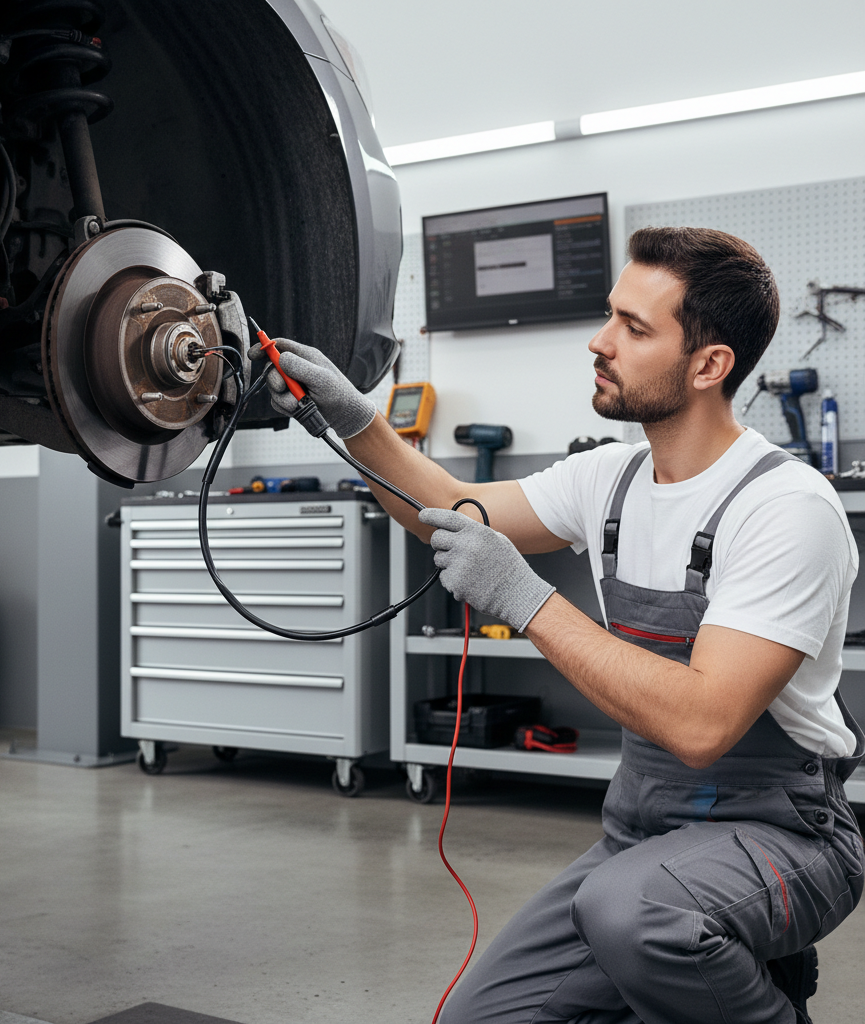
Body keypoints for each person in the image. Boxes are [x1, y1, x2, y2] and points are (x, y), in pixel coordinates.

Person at [250, 226, 864, 1024]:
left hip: (785, 833)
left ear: (711, 366)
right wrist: (354, 421)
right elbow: (446, 508)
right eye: (611, 315)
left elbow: (704, 723)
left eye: (634, 329)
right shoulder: (609, 477)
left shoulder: (785, 508)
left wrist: (530, 600)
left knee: (636, 913)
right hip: (642, 831)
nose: (599, 342)